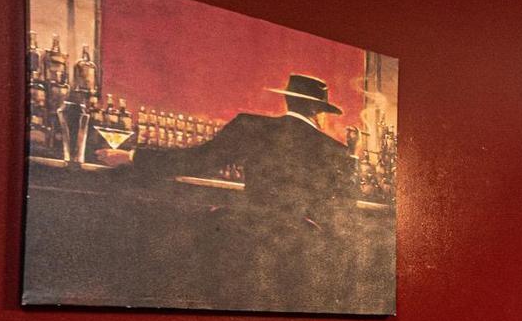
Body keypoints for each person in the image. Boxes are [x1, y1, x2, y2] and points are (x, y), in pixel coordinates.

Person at [120, 73, 353, 220]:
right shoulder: (336, 150)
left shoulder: (251, 125)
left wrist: (132, 157)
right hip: (302, 247)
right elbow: (340, 209)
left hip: (250, 230)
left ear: (288, 100)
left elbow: (198, 160)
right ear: (317, 111)